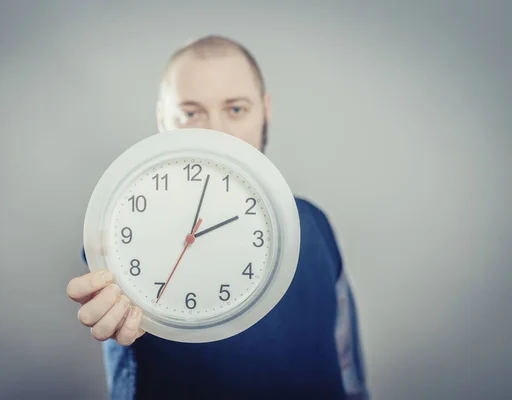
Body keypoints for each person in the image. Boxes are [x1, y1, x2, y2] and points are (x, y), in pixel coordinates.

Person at [67, 35, 368, 399]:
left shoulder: (315, 223)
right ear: (163, 118)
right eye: (191, 113)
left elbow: (347, 364)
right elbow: (116, 286)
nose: (216, 133)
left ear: (265, 110)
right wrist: (117, 308)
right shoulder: (121, 232)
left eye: (236, 109)